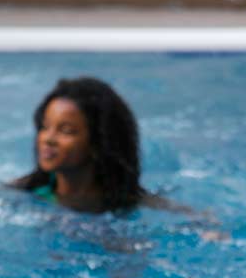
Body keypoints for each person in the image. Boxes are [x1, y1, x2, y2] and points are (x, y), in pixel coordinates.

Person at [9, 76, 147, 213]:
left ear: (98, 143)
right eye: (45, 127)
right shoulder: (20, 195)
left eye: (66, 131)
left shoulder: (136, 206)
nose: (48, 139)